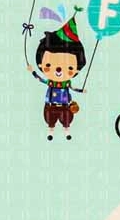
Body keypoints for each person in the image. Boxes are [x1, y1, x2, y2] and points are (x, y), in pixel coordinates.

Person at [27, 12, 86, 140]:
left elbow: (72, 88)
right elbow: (41, 79)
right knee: (50, 118)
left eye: (69, 67)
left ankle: (67, 131)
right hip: (51, 104)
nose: (59, 69)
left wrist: (81, 90)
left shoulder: (66, 83)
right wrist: (33, 72)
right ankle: (51, 131)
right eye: (49, 64)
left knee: (66, 119)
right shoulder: (51, 82)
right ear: (41, 64)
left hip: (65, 105)